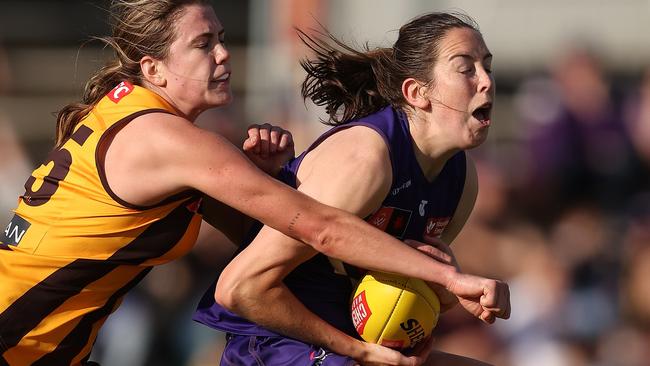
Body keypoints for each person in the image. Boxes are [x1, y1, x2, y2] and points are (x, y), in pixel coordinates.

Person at [0, 2, 508, 365]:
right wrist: (447, 281)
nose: (223, 54)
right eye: (203, 44)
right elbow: (321, 229)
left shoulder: (143, 122)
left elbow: (271, 235)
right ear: (152, 67)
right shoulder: (164, 137)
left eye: (221, 38)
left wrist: (272, 179)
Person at [194, 11, 510, 366]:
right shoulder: (367, 157)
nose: (486, 82)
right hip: (276, 345)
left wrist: (442, 294)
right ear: (417, 93)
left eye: (488, 67)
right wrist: (359, 350)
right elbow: (241, 287)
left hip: (345, 343)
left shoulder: (462, 177)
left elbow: (396, 293)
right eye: (466, 68)